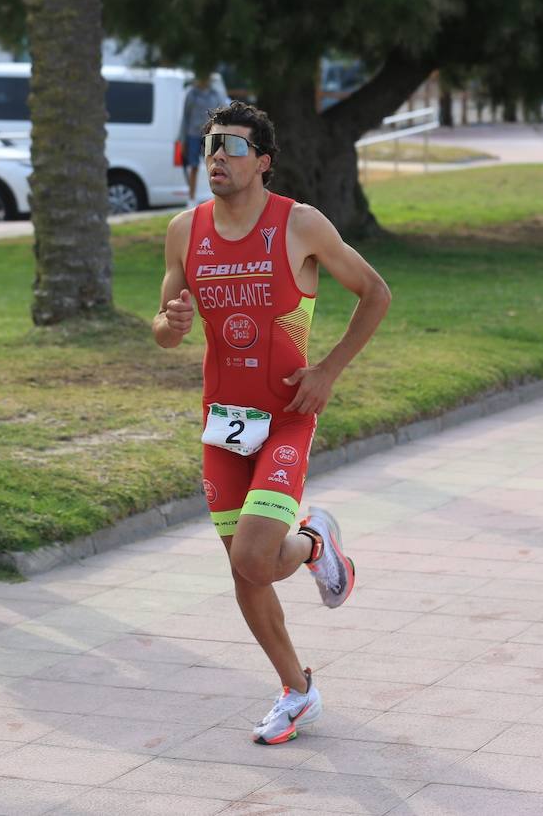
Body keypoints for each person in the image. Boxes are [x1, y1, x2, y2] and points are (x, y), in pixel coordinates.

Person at [153, 102, 390, 744]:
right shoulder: (185, 229)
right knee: (244, 571)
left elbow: (375, 293)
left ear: (263, 160)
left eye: (231, 146)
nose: (217, 157)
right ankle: (298, 690)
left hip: (286, 416)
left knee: (256, 557)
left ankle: (311, 542)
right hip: (222, 424)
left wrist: (329, 371)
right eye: (209, 146)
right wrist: (168, 326)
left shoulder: (300, 225)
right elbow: (166, 324)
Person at [179, 72, 229, 207]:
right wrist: (182, 140)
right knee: (193, 166)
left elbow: (222, 116)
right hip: (193, 135)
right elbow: (185, 117)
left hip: (210, 136)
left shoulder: (215, 94)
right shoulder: (192, 94)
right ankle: (191, 198)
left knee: (214, 166)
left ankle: (216, 197)